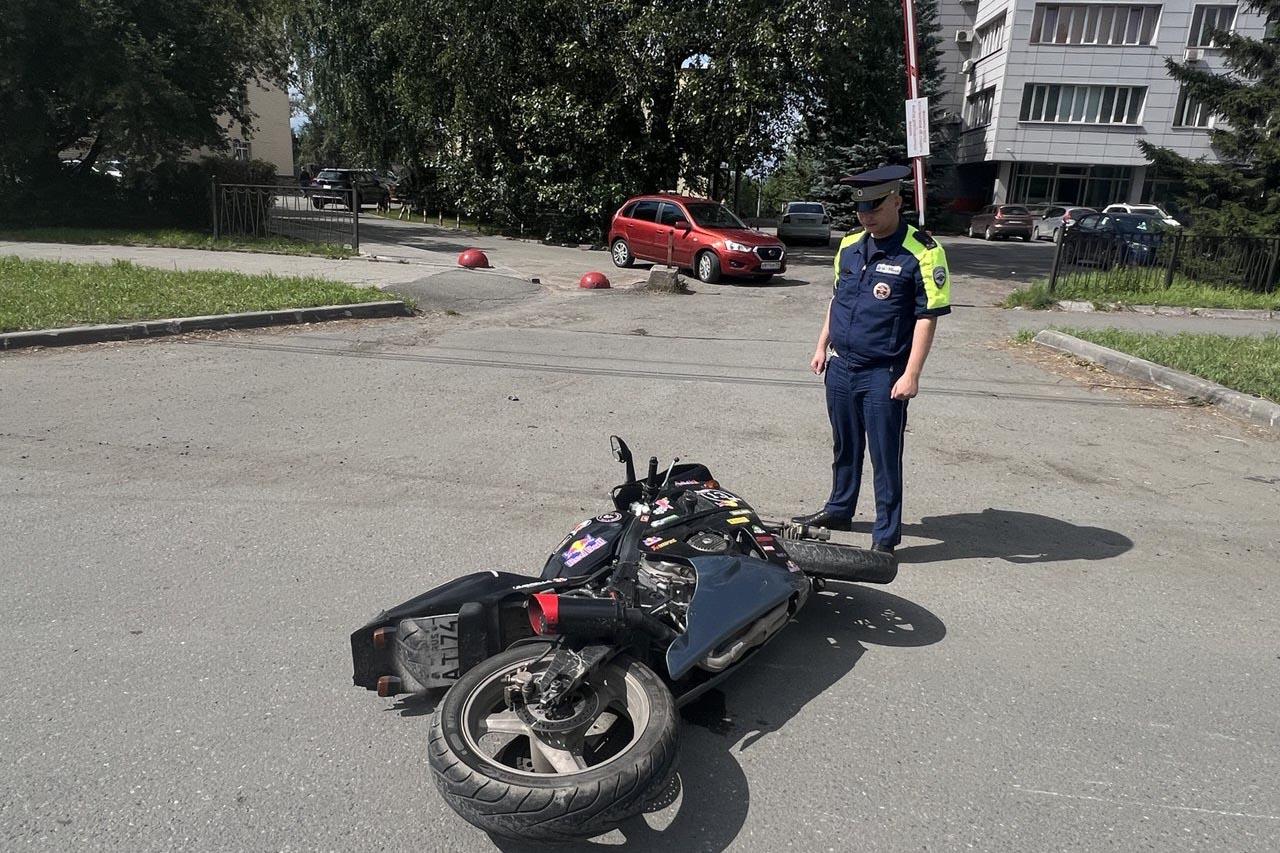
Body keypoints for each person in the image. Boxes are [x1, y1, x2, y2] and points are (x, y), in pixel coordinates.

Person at [791, 165, 951, 555]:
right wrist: (820, 346)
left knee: (884, 456)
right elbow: (837, 301)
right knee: (844, 446)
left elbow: (926, 317)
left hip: (884, 373)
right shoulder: (849, 246)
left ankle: (885, 535)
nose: (866, 216)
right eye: (861, 209)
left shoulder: (923, 252)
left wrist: (912, 374)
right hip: (840, 366)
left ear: (897, 201)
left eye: (875, 207)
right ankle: (839, 508)